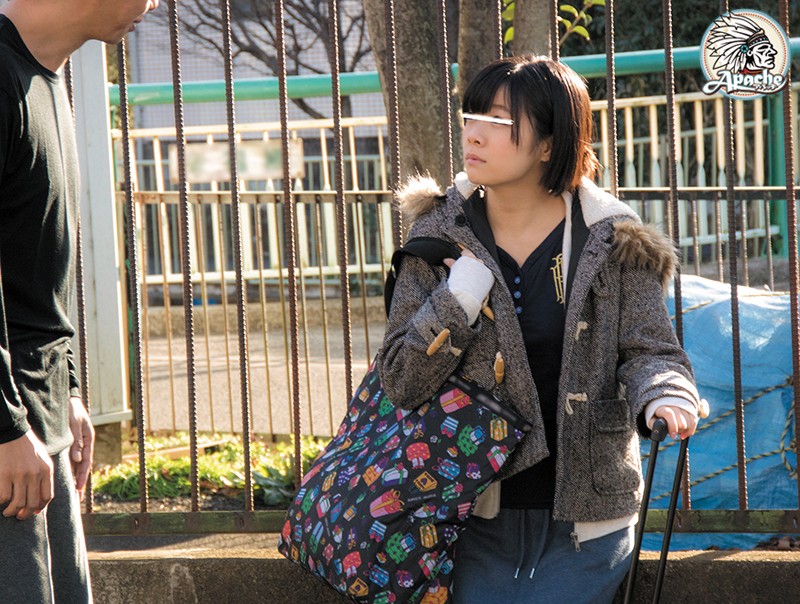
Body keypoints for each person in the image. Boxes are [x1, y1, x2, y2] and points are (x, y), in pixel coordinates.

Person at [377, 55, 703, 603]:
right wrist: (458, 299)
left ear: (550, 144)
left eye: (498, 121)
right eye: (471, 116)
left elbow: (652, 350)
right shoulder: (436, 237)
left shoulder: (613, 240)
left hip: (588, 521)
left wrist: (666, 394)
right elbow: (400, 380)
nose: (474, 133)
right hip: (467, 516)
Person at [0, 1, 160, 602]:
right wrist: (4, 425)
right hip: (11, 439)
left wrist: (64, 389)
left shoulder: (46, 76)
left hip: (38, 427)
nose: (152, 3)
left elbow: (35, 268)